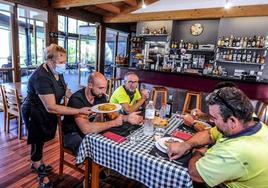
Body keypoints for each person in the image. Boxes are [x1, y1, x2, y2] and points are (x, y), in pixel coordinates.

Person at [168, 87, 268, 187]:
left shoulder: (235, 150)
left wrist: (197, 152)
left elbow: (196, 174)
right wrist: (186, 144)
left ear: (232, 121)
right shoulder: (248, 119)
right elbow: (209, 134)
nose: (211, 122)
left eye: (214, 118)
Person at [21, 44, 91, 188]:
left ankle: (37, 162)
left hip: (46, 111)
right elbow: (51, 107)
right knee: (37, 141)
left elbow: (65, 89)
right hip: (34, 112)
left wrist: (77, 101)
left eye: (65, 61)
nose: (63, 65)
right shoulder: (40, 77)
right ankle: (39, 171)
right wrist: (78, 111)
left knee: (42, 140)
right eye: (61, 62)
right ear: (49, 60)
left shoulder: (57, 71)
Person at [63, 72, 143, 155]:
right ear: (90, 85)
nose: (104, 91)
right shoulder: (77, 99)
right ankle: (95, 166)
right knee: (98, 150)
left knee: (120, 142)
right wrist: (113, 123)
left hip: (93, 129)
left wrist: (127, 118)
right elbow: (86, 129)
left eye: (105, 88)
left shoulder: (100, 96)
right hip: (73, 134)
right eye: (101, 88)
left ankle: (108, 165)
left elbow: (111, 115)